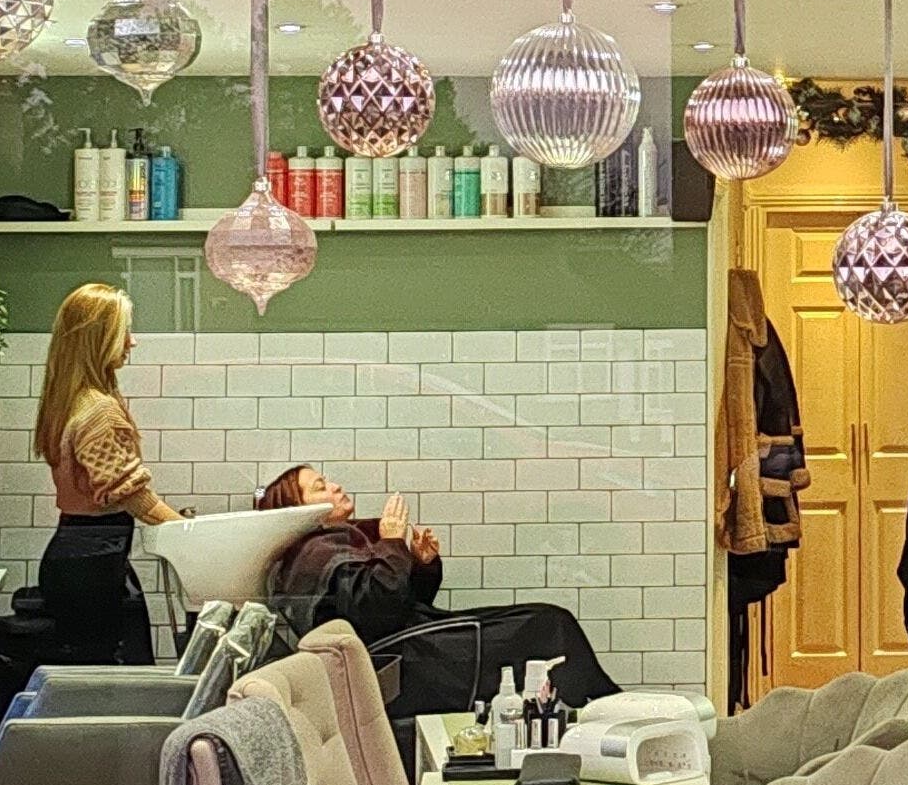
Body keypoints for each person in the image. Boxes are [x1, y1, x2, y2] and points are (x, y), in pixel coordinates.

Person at [257, 464, 622, 717]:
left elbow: (402, 602)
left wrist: (420, 562)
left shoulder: (334, 543)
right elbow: (377, 609)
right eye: (320, 487)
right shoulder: (315, 553)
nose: (334, 486)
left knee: (549, 622)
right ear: (297, 509)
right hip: (409, 663)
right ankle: (609, 708)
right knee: (548, 626)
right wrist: (392, 543)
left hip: (417, 645)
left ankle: (604, 705)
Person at [31, 282, 178, 665]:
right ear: (98, 339)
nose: (132, 343)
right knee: (111, 677)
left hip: (73, 555)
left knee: (84, 675)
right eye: (122, 333)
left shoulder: (66, 402)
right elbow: (133, 495)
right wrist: (188, 532)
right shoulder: (98, 411)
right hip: (93, 568)